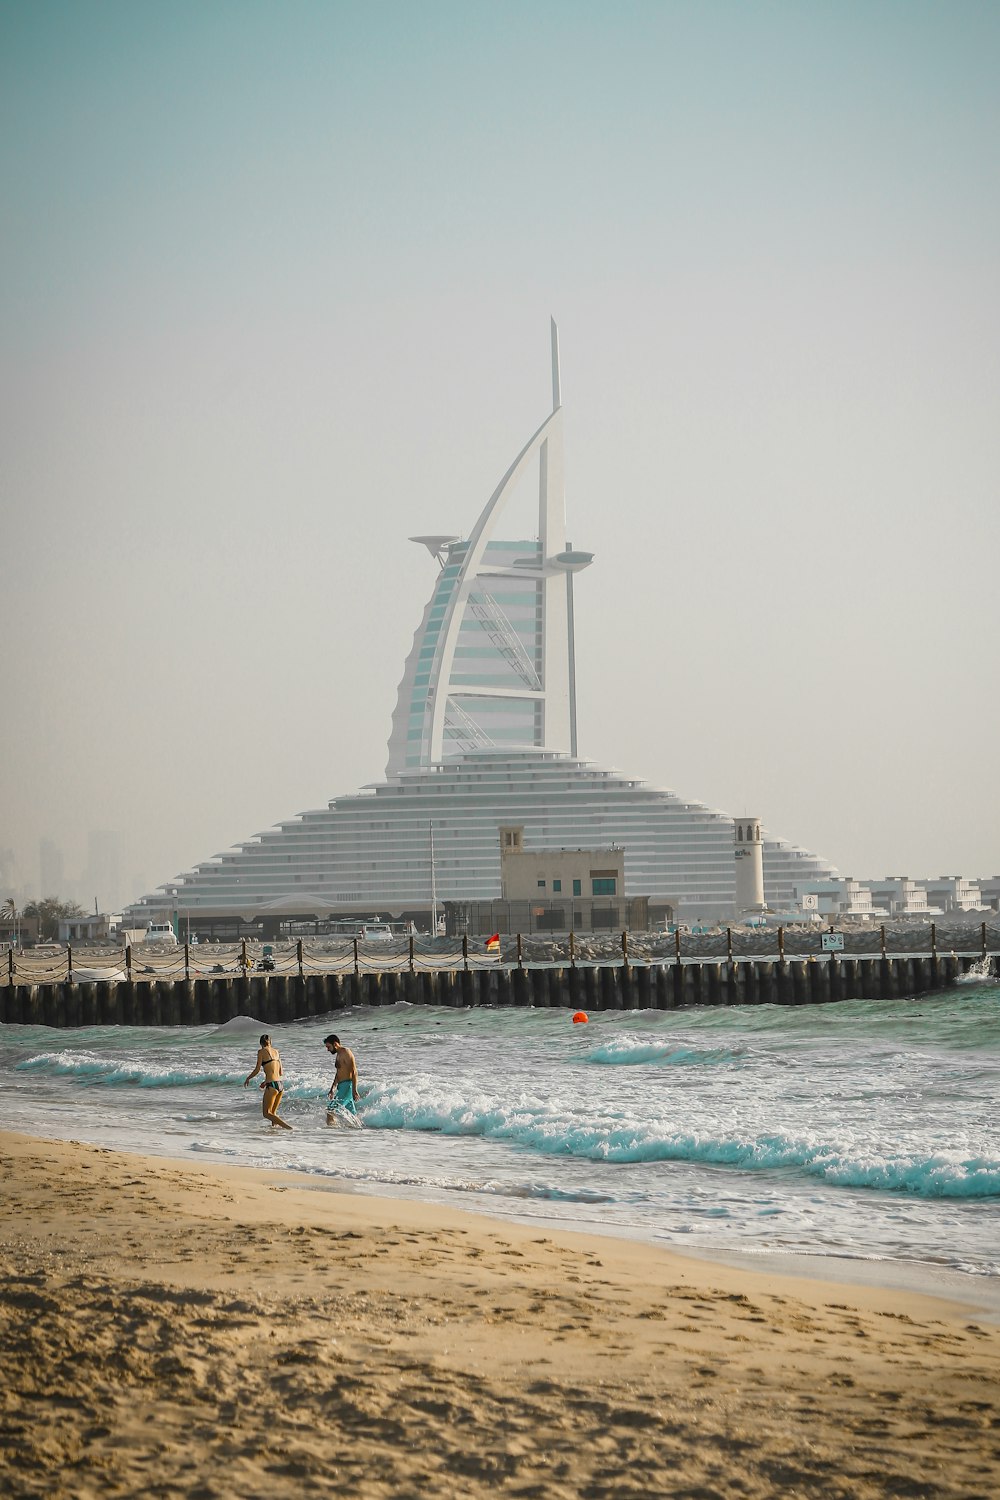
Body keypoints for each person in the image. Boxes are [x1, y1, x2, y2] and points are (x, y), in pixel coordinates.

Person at [243, 1033, 293, 1130]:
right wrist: (266, 1081)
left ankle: (289, 1128)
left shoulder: (261, 1052)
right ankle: (275, 1133)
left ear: (261, 1044)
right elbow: (280, 1072)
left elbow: (257, 1070)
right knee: (273, 1114)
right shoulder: (277, 1052)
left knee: (266, 1113)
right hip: (280, 1085)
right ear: (271, 1042)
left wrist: (248, 1078)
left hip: (272, 1086)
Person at [324, 1034, 360, 1124]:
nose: (327, 1049)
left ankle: (331, 1133)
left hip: (347, 1086)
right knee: (354, 1118)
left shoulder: (346, 1052)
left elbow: (354, 1071)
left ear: (335, 1044)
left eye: (328, 1047)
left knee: (330, 1111)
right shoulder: (339, 1055)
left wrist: (354, 1090)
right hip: (342, 1086)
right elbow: (338, 1074)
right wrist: (332, 1089)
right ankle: (360, 1134)